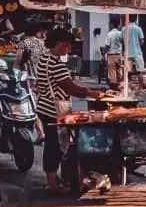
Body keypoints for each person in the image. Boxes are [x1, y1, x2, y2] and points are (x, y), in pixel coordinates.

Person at [32, 27, 101, 193]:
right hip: (52, 109)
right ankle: (51, 182)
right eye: (67, 45)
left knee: (54, 144)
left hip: (45, 105)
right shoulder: (55, 64)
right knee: (53, 146)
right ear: (59, 44)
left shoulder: (44, 58)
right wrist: (93, 93)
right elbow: (71, 88)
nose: (69, 49)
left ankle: (54, 178)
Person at [104, 18, 124, 88]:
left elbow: (107, 46)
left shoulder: (109, 34)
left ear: (112, 25)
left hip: (111, 55)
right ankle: (120, 86)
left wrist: (104, 53)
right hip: (119, 55)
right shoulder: (120, 34)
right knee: (119, 72)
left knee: (112, 72)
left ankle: (113, 87)